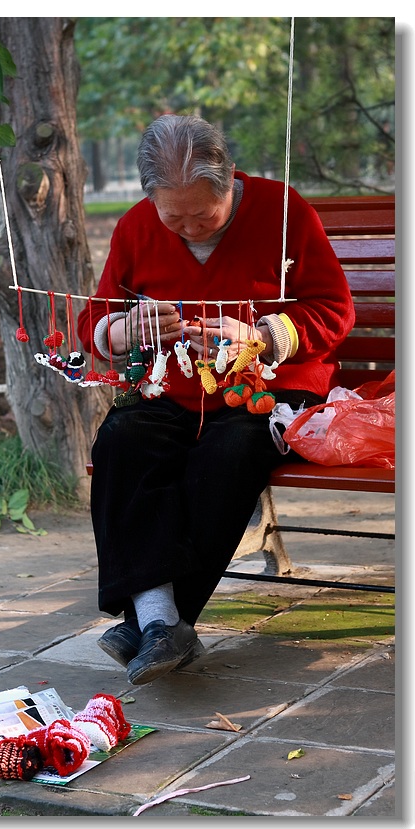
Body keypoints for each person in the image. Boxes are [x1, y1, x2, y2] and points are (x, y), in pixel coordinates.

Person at [76, 114, 354, 685]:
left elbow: (334, 310)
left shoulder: (283, 211)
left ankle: (149, 621)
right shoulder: (135, 227)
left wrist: (262, 334)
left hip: (267, 388)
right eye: (172, 217)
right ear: (149, 198)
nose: (189, 229)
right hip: (175, 384)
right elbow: (94, 322)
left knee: (228, 454)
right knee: (122, 440)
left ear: (229, 181)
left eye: (204, 214)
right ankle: (162, 624)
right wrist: (120, 331)